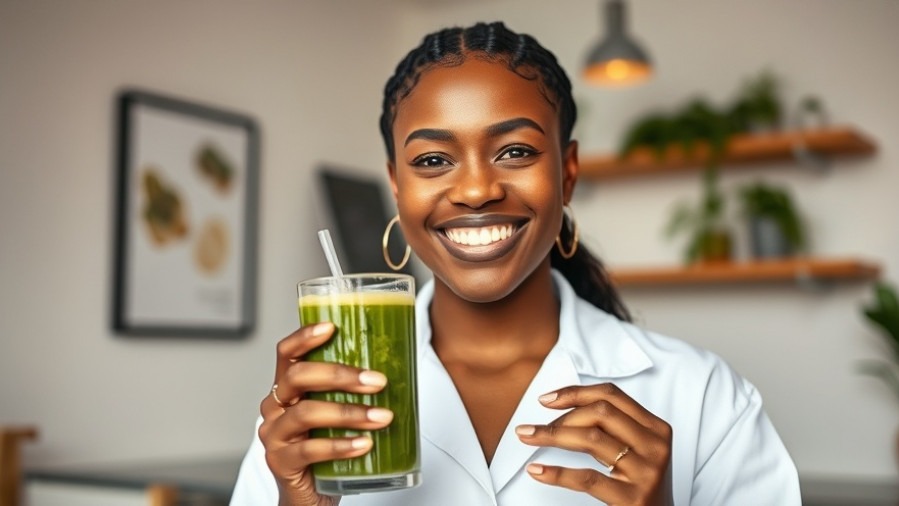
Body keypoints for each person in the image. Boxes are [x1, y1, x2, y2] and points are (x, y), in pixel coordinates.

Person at [230, 21, 800, 505]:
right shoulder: (315, 411)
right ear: (397, 188)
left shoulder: (703, 395)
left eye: (516, 152)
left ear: (568, 173)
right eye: (432, 159)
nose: (477, 189)